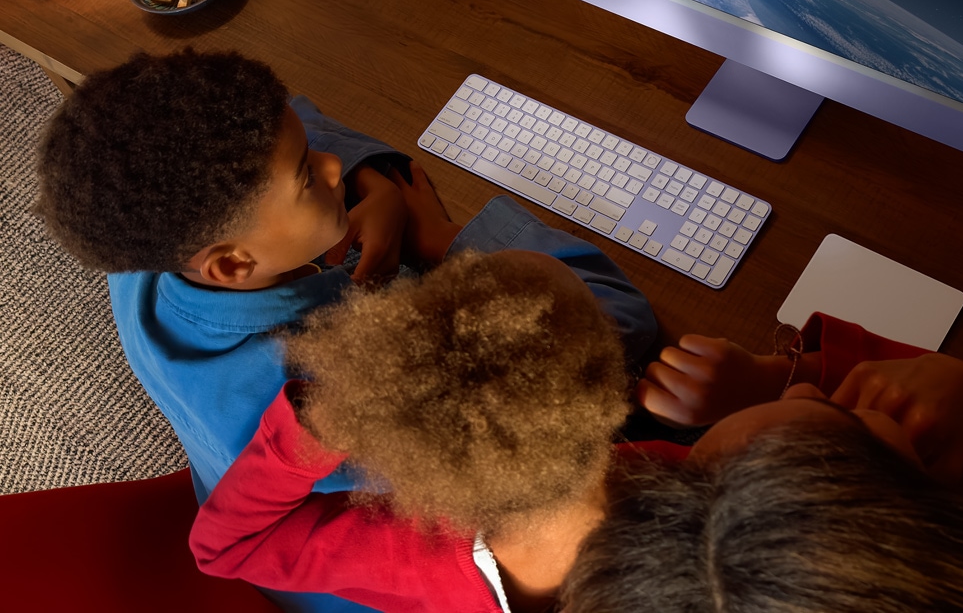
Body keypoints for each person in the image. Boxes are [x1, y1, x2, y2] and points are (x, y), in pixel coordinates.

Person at [34, 49, 656, 613]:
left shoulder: (147, 257)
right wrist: (443, 238)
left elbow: (295, 115)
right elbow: (611, 330)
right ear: (232, 264)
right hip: (357, 568)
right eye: (309, 176)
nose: (331, 165)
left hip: (250, 509)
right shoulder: (349, 394)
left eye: (317, 157)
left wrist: (372, 184)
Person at [565, 316, 963, 613]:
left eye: (695, 471)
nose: (804, 392)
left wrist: (775, 383)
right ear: (954, 533)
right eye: (846, 419)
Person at [190, 247, 637, 613]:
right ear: (610, 387)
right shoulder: (670, 480)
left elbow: (223, 549)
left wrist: (321, 424)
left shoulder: (405, 554)